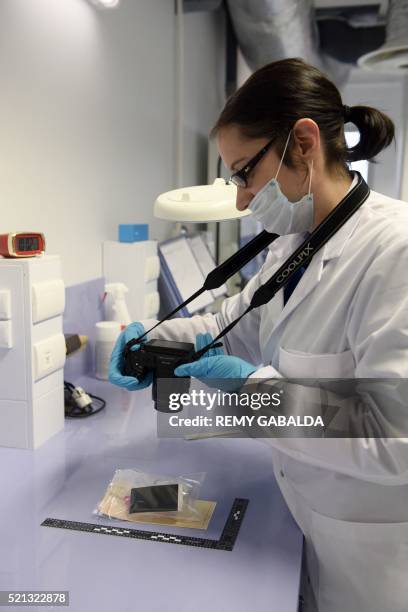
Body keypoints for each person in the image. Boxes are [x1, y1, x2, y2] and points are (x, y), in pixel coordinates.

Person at [109, 58, 408, 611]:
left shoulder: (395, 251)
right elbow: (231, 324)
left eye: (245, 172)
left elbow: (395, 438)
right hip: (302, 511)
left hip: (372, 552)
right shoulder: (292, 242)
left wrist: (252, 392)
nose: (242, 199)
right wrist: (153, 339)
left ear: (302, 142)